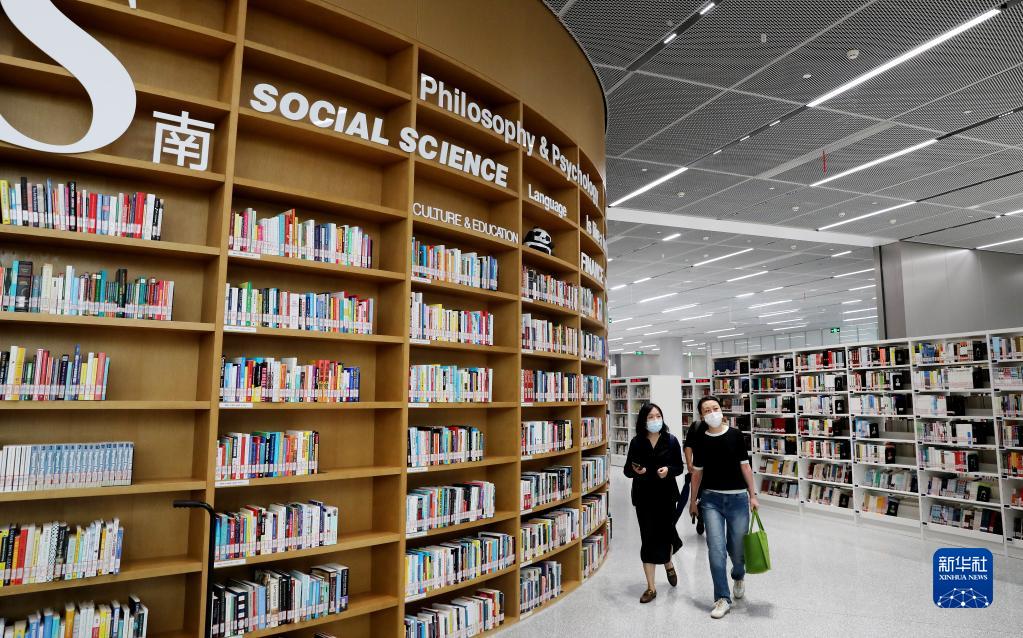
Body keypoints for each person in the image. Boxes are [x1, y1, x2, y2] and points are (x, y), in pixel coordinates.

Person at [688, 395, 759, 619]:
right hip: (711, 501)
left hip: (737, 500)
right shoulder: (701, 440)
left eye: (715, 408)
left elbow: (745, 467)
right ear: (702, 416)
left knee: (737, 550)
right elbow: (697, 474)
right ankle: (722, 598)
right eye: (707, 410)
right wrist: (692, 501)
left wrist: (753, 496)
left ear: (721, 410)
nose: (712, 413)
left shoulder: (736, 435)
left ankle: (738, 575)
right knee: (716, 549)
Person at [623, 403, 684, 604]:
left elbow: (679, 467)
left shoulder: (671, 440)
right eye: (650, 417)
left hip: (666, 496)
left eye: (658, 416)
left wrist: (668, 471)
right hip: (644, 497)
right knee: (648, 538)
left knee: (666, 535)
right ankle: (651, 587)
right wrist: (636, 471)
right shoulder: (636, 442)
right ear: (643, 420)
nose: (655, 420)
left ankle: (668, 563)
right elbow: (627, 470)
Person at [676, 416, 707, 534]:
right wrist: (689, 463)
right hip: (698, 469)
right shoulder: (696, 426)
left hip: (716, 473)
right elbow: (688, 445)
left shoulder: (721, 426)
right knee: (699, 495)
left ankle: (708, 520)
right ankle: (701, 518)